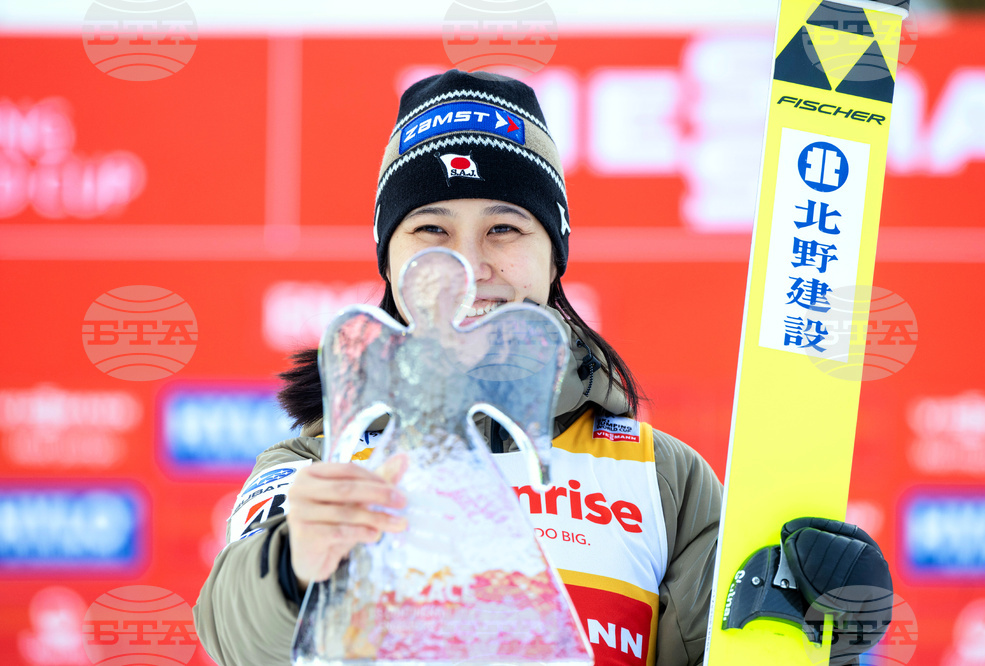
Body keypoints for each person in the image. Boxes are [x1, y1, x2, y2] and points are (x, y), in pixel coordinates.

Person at [194, 70, 889, 666]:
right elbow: (232, 634)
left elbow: (743, 650)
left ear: (553, 256)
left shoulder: (663, 478)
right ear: (390, 259)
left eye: (505, 228)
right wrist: (291, 565)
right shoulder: (318, 461)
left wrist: (816, 622)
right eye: (431, 229)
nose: (469, 266)